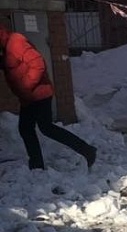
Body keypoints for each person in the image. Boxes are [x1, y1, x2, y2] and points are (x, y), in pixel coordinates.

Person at [0, 24, 97, 170]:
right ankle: (37, 165)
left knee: (46, 128)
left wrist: (27, 86)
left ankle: (87, 150)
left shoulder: (15, 42)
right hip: (29, 97)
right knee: (26, 128)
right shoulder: (5, 49)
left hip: (39, 93)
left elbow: (37, 64)